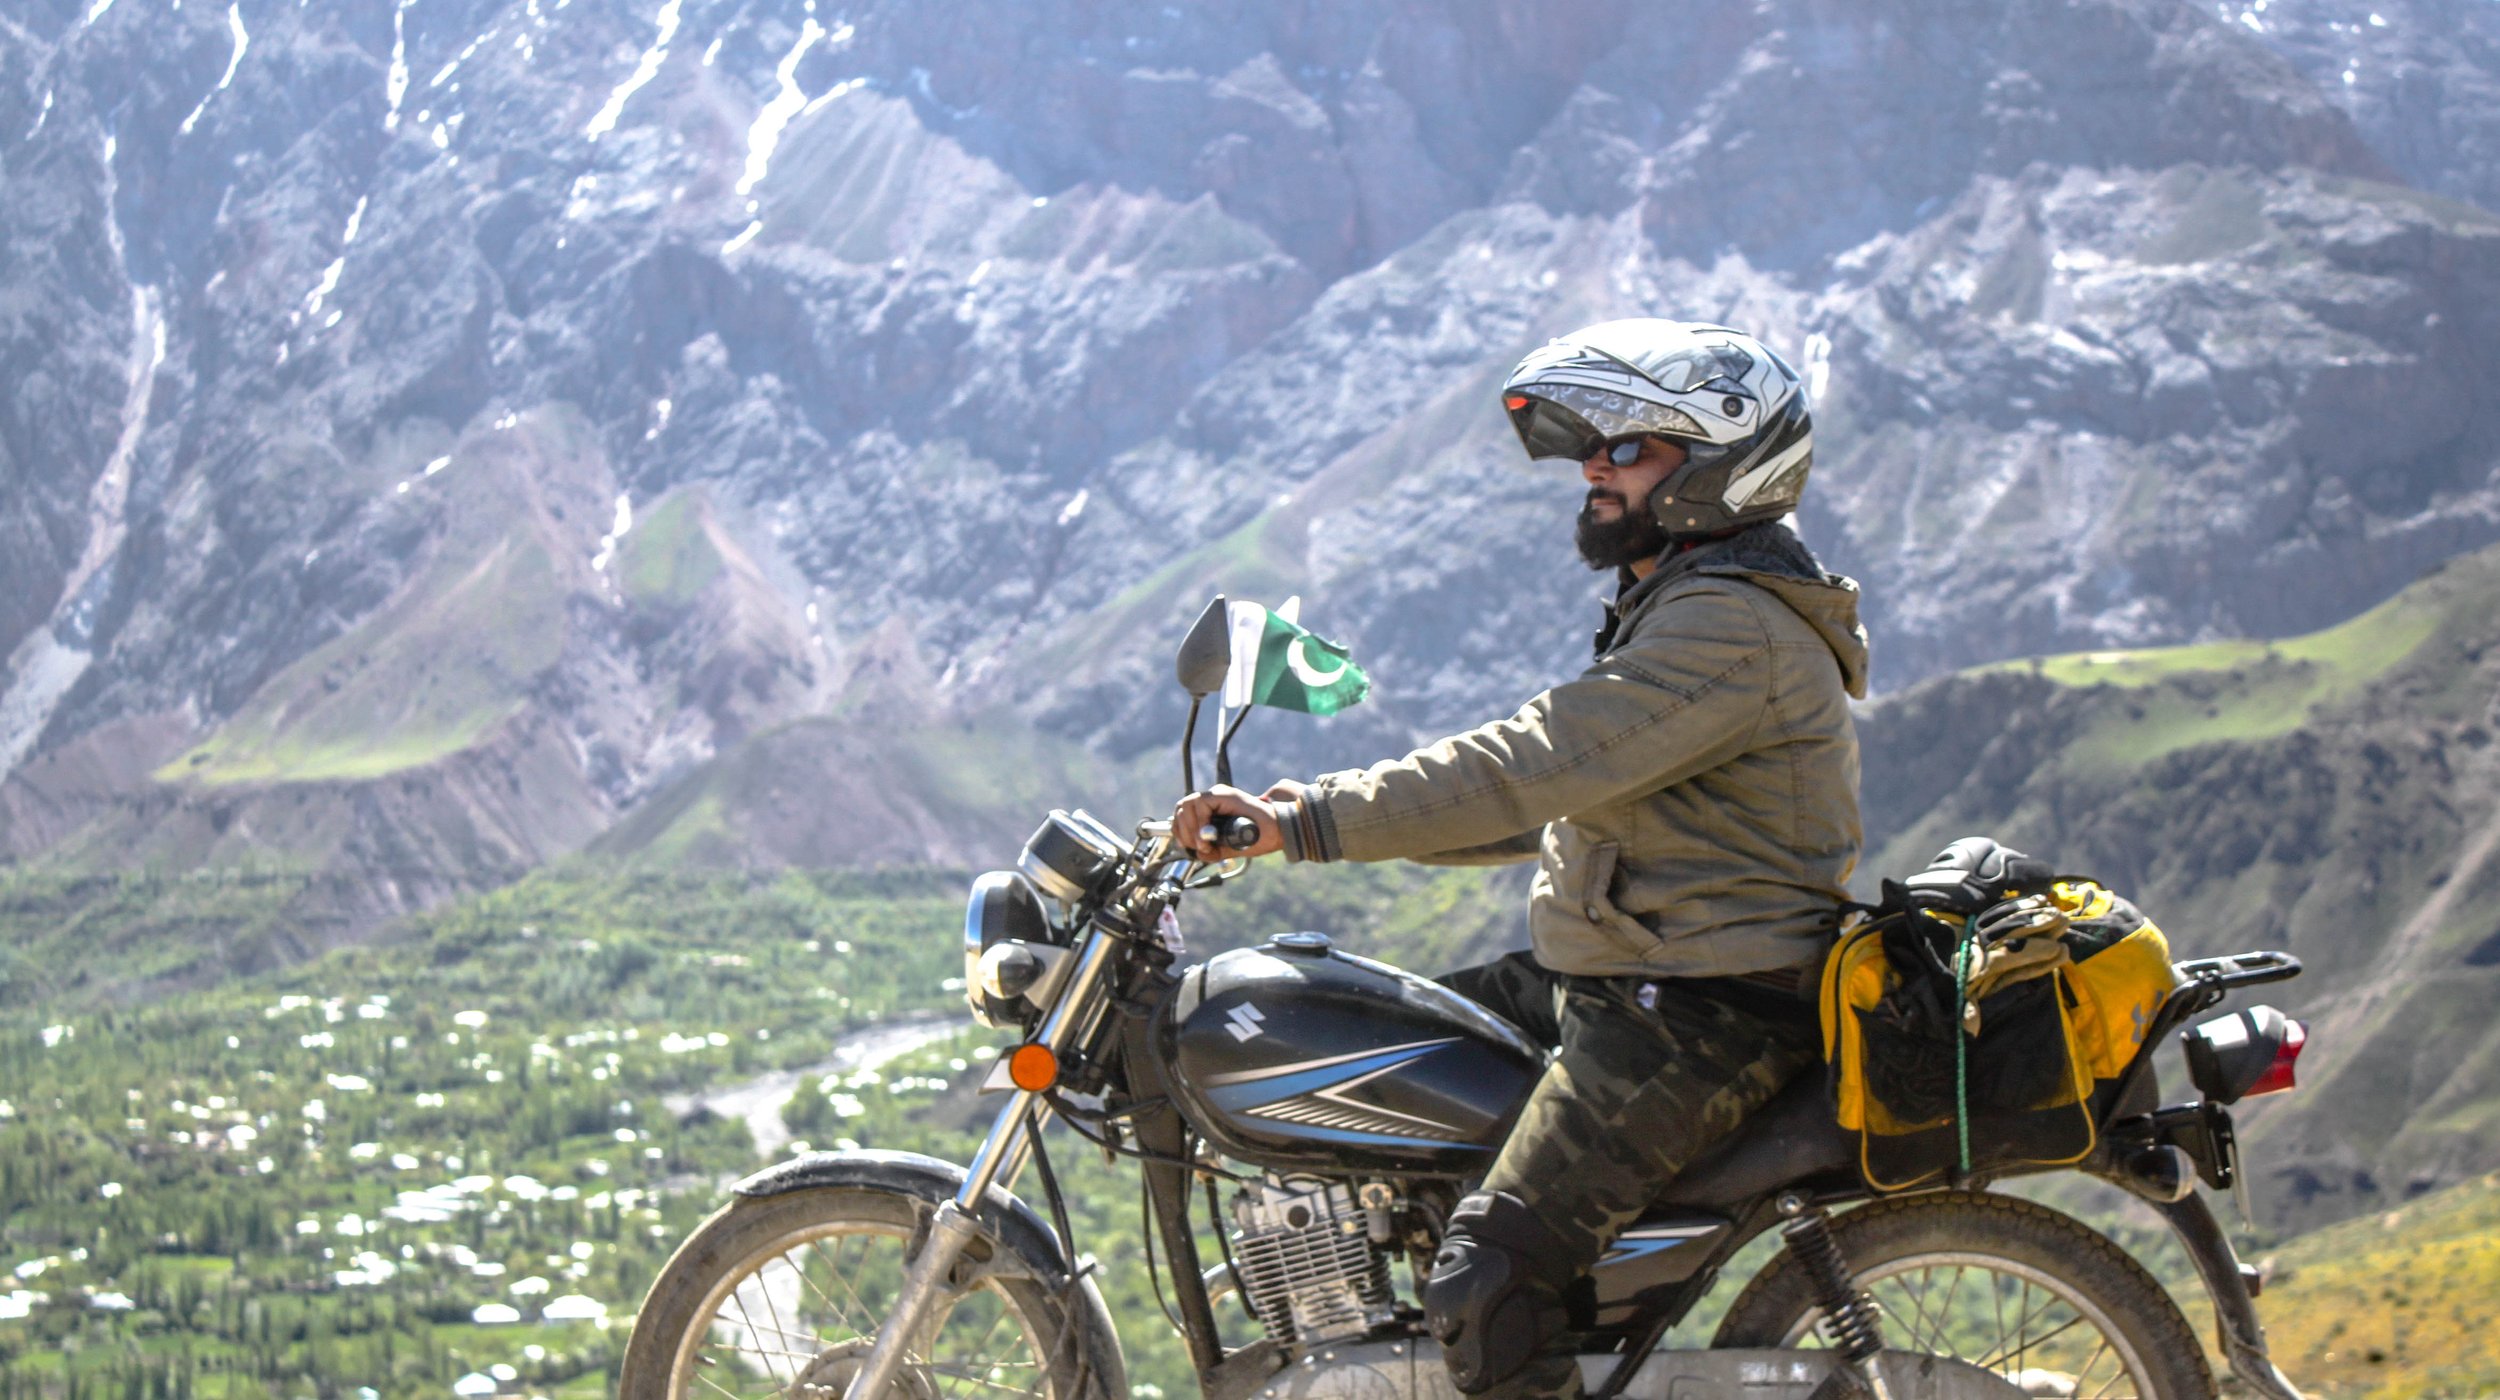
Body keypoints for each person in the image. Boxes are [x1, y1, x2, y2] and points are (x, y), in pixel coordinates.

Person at [1173, 319, 1871, 1400]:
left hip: (1703, 1006)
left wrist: (1304, 818)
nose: (1594, 464)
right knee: (1379, 1072)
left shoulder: (1730, 626)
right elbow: (1554, 806)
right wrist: (1304, 826)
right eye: (1595, 442)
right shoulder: (1688, 603)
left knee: (1487, 1276)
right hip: (1624, 974)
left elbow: (1530, 767)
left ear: (1718, 472)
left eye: (1629, 447)